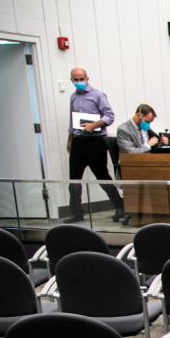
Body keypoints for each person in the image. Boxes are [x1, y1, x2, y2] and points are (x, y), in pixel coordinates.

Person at [65, 67, 126, 224]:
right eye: (75, 79)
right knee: (74, 179)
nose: (79, 82)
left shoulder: (98, 95)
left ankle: (120, 207)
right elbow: (72, 120)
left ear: (87, 78)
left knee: (102, 176)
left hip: (95, 141)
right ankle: (76, 212)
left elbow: (109, 116)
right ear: (71, 80)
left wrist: (94, 125)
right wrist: (70, 139)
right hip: (79, 141)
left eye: (81, 79)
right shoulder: (73, 97)